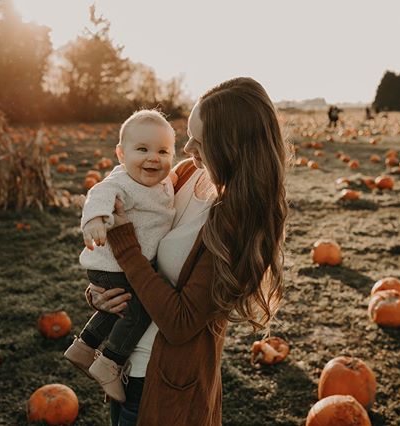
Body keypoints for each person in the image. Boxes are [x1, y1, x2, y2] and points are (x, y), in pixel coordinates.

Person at [85, 77, 289, 425]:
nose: (186, 147)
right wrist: (102, 293)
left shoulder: (235, 222)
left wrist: (124, 243)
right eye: (188, 132)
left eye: (200, 140)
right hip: (123, 364)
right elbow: (140, 253)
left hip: (164, 385)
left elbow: (180, 323)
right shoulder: (184, 176)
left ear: (231, 147)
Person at [63, 109, 177, 403]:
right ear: (121, 154)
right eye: (142, 149)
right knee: (140, 309)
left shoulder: (164, 182)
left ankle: (84, 345)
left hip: (119, 266)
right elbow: (100, 192)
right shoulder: (123, 182)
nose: (154, 157)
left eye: (163, 151)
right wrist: (94, 221)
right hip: (112, 264)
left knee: (121, 306)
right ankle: (110, 361)